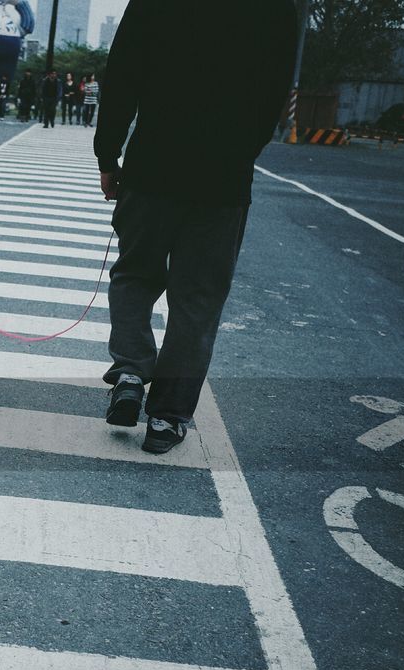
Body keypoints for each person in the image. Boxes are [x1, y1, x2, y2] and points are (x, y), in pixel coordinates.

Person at [96, 0, 296, 453]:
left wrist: (109, 155)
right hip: (222, 180)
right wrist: (240, 152)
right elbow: (274, 91)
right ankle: (167, 417)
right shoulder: (278, 9)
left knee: (134, 273)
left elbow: (123, 71)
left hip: (152, 166)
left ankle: (130, 371)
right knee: (197, 302)